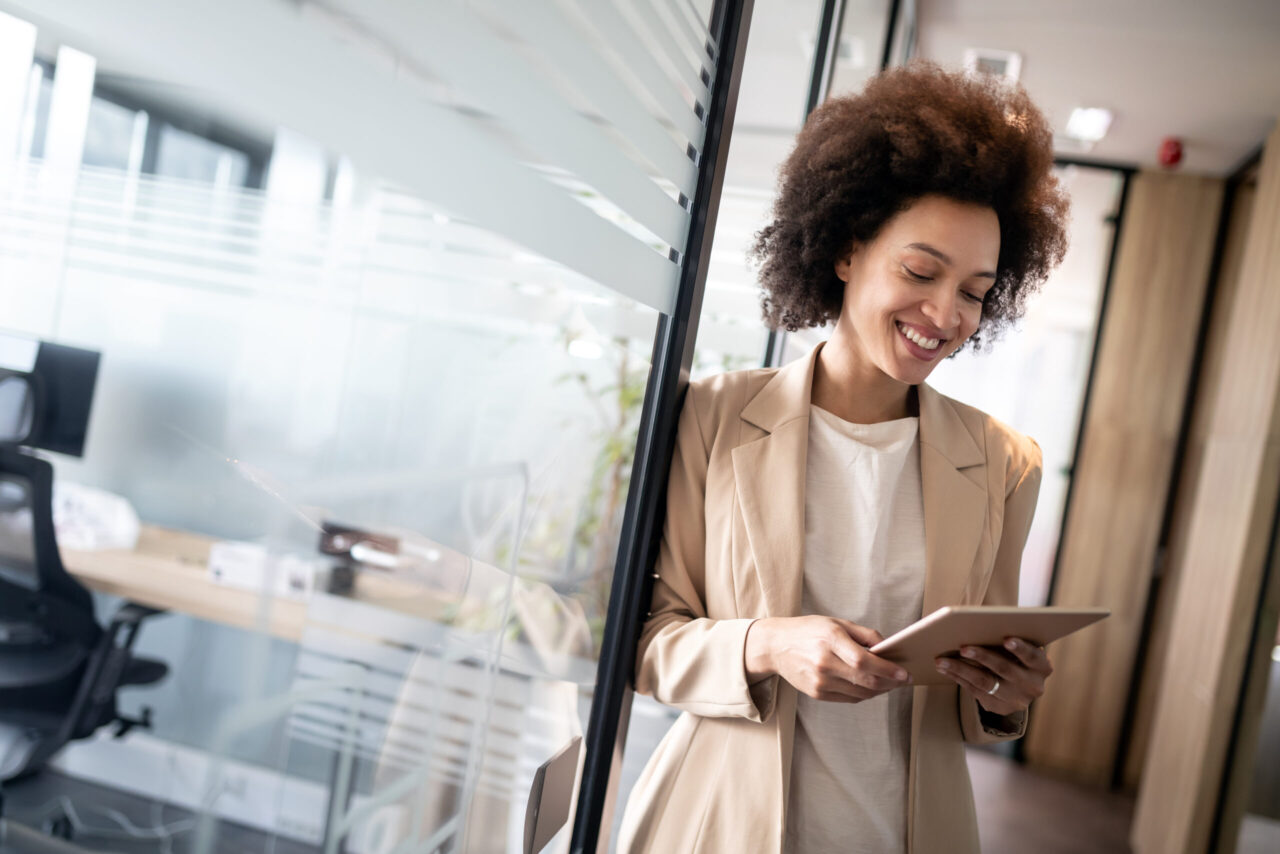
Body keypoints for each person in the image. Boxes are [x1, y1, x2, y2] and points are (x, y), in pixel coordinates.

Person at [616, 62, 1070, 854]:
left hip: (906, 831)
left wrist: (1007, 694)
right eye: (922, 271)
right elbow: (646, 642)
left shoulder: (1005, 463)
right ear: (845, 252)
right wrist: (765, 644)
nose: (945, 315)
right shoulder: (715, 417)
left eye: (974, 291)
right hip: (721, 823)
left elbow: (982, 698)